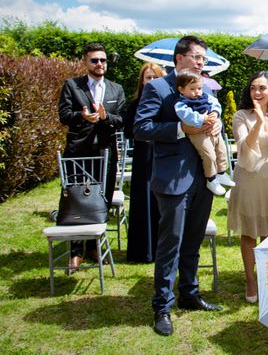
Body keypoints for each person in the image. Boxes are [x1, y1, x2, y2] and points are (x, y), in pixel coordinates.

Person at [134, 36, 223, 337]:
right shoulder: (157, 88)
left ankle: (190, 293)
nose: (201, 63)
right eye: (197, 57)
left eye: (203, 59)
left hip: (203, 176)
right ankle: (162, 306)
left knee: (193, 240)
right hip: (172, 178)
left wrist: (217, 122)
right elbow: (141, 128)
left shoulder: (206, 86)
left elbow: (215, 111)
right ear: (179, 58)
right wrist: (179, 128)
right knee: (169, 244)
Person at [227, 71, 268, 303]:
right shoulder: (240, 116)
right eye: (254, 87)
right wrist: (257, 119)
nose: (257, 92)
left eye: (262, 88)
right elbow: (245, 148)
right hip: (249, 180)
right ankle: (250, 279)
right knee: (249, 232)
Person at [57, 42, 126, 272]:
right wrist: (82, 116)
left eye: (103, 60)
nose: (100, 64)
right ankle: (75, 252)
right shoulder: (72, 86)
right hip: (79, 151)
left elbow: (122, 120)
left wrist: (106, 118)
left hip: (106, 152)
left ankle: (94, 247)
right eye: (95, 60)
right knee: (76, 200)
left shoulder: (116, 89)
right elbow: (64, 115)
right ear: (85, 62)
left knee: (102, 199)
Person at [124, 62, 165, 263]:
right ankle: (142, 251)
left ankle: (160, 248)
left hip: (160, 155)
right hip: (143, 157)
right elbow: (128, 131)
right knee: (142, 201)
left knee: (160, 202)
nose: (151, 81)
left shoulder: (166, 102)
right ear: (142, 80)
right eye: (147, 77)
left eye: (155, 77)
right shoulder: (135, 104)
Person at [174, 69, 235, 196]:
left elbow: (215, 103)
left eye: (200, 88)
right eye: (193, 89)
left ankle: (221, 173)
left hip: (212, 129)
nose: (198, 92)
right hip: (197, 133)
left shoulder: (205, 96)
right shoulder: (181, 103)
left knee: (222, 149)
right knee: (209, 154)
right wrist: (203, 118)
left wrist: (215, 113)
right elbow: (186, 116)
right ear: (181, 89)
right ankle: (211, 179)